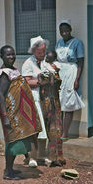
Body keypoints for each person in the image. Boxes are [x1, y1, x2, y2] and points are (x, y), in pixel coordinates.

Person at [0, 45, 42, 180]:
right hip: (10, 112)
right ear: (2, 57)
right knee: (12, 141)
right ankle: (8, 172)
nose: (11, 57)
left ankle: (10, 168)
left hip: (17, 111)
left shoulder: (13, 70)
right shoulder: (5, 73)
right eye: (8, 55)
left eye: (13, 54)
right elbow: (1, 95)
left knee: (18, 139)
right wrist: (5, 116)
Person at [21, 36, 51, 167]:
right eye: (39, 52)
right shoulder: (28, 63)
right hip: (33, 99)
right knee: (35, 128)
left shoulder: (45, 62)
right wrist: (39, 82)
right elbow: (26, 82)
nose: (42, 54)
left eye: (43, 51)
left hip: (45, 98)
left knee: (45, 128)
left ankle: (42, 156)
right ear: (33, 51)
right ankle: (32, 157)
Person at [55, 20, 85, 140]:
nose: (64, 33)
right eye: (62, 31)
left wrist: (77, 79)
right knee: (59, 102)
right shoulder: (59, 43)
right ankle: (58, 130)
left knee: (68, 103)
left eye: (66, 31)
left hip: (71, 72)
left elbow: (81, 62)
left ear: (70, 30)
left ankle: (65, 133)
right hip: (60, 72)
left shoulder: (77, 42)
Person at [38, 50, 66, 166]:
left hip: (55, 103)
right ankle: (49, 157)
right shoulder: (42, 72)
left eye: (51, 59)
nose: (49, 61)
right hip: (46, 104)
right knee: (49, 130)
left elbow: (57, 83)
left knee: (57, 129)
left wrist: (52, 78)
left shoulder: (56, 72)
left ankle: (57, 156)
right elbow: (41, 83)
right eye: (47, 59)